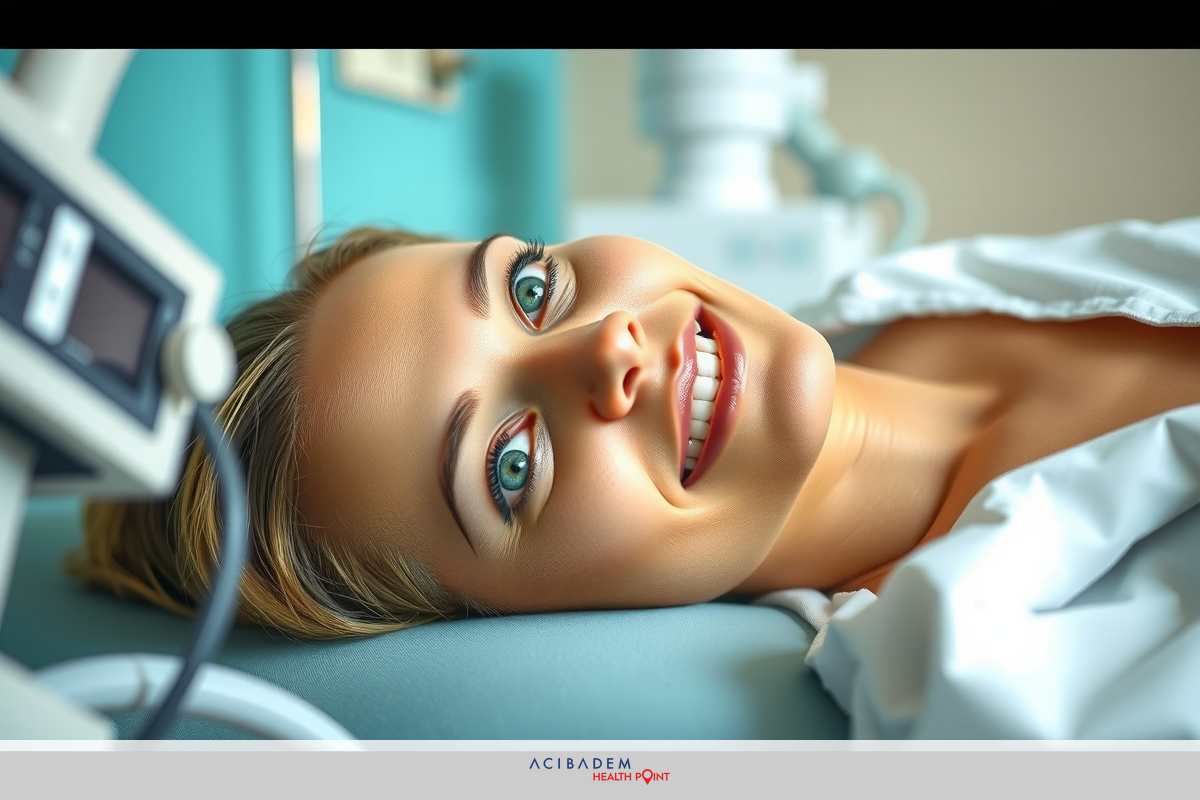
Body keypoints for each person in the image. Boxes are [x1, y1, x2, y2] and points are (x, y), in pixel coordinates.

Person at [69, 223, 1200, 639]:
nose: (606, 348)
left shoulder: (913, 287)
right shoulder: (1006, 676)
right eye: (510, 465)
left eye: (527, 292)